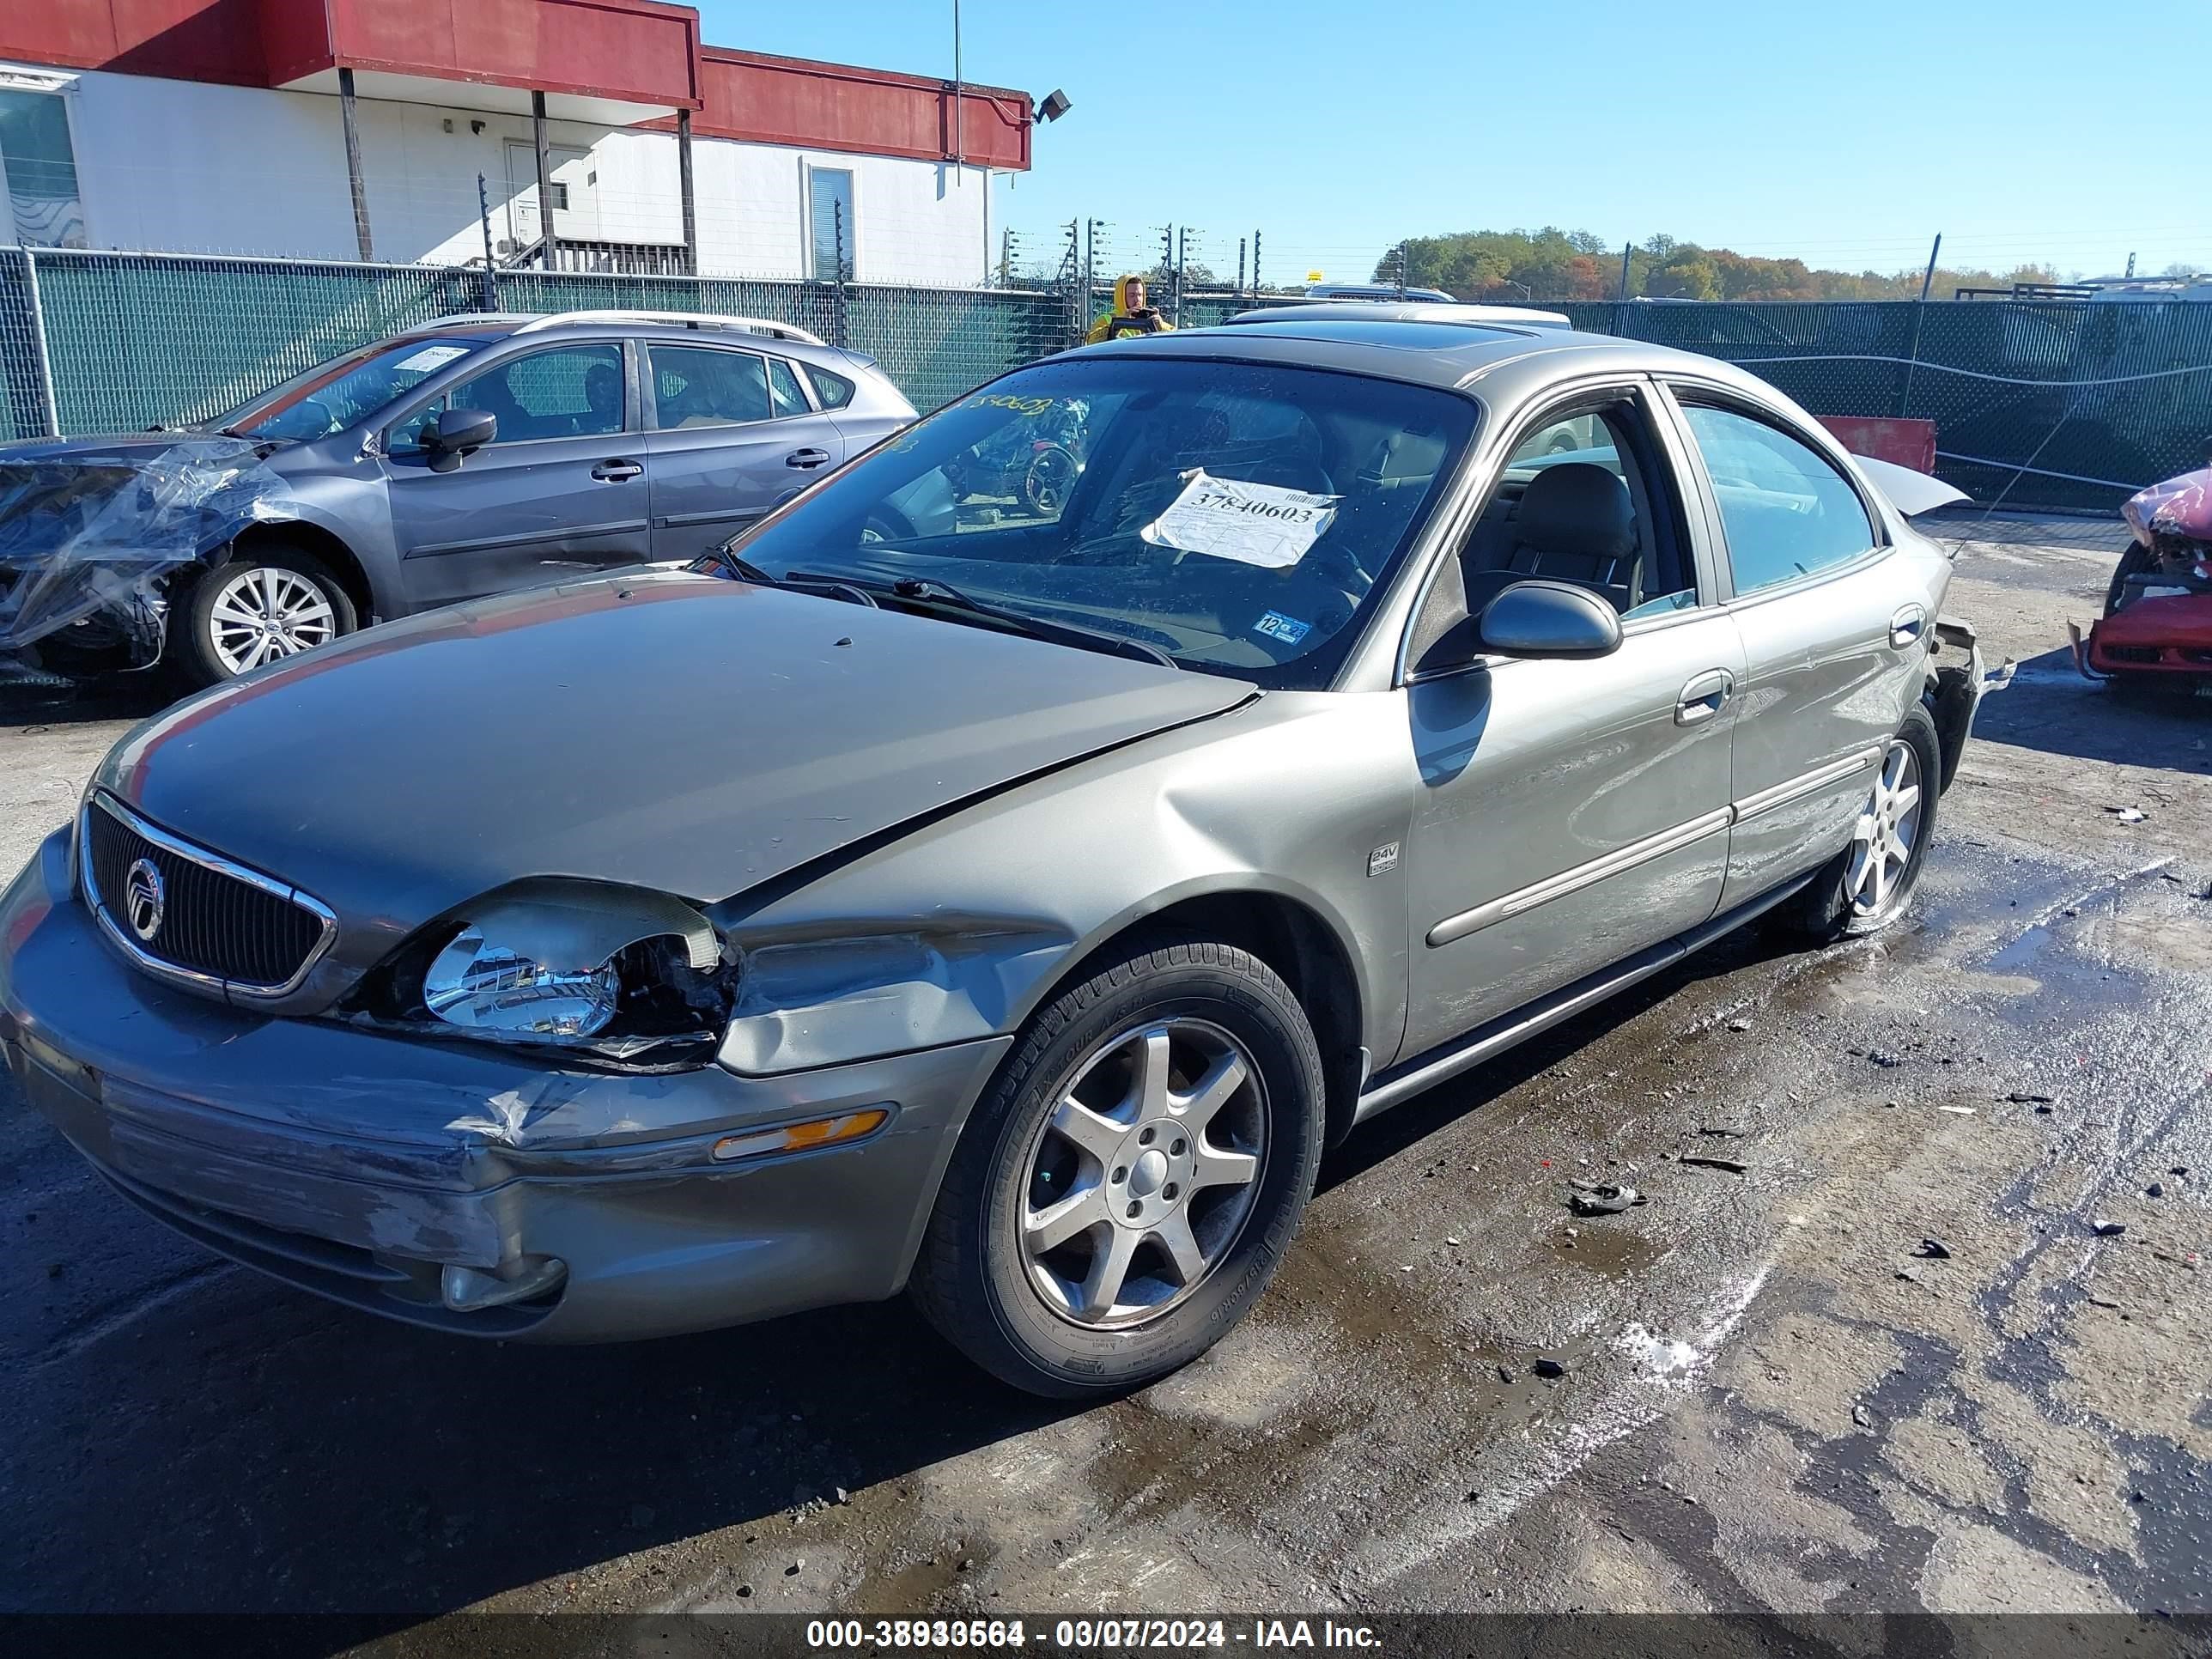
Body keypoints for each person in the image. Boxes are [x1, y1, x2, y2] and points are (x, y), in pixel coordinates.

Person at [1085, 275, 1175, 343]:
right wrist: (1121, 323)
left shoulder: (1150, 319)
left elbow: (1176, 340)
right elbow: (1091, 343)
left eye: (1140, 295)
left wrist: (1160, 327)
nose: (1137, 300)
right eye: (1132, 295)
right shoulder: (1106, 319)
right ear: (1121, 296)